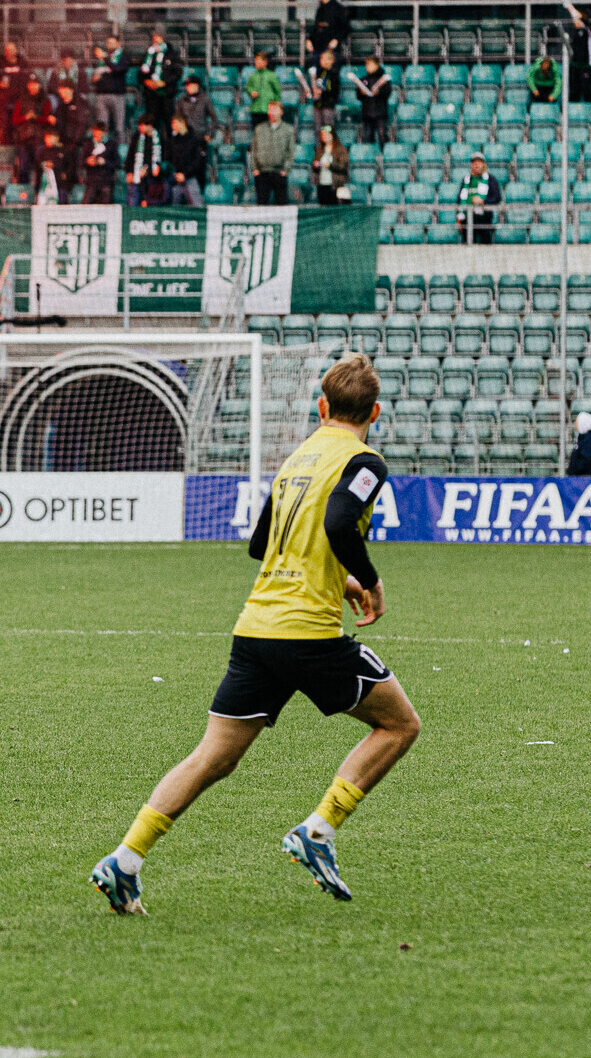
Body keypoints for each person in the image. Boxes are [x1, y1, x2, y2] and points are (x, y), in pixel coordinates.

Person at [92, 354, 417, 913]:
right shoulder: (364, 461)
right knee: (399, 725)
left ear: (322, 407)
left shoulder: (297, 459)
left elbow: (260, 544)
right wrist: (368, 579)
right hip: (308, 636)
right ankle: (319, 829)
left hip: (256, 630)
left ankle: (125, 860)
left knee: (212, 758)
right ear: (375, 413)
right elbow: (340, 521)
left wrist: (337, 580)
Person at [9, 77, 54, 186]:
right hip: (23, 139)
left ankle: (39, 192)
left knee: (40, 168)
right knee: (23, 168)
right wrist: (26, 117)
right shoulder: (21, 101)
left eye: (35, 84)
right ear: (27, 85)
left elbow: (49, 120)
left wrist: (36, 118)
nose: (33, 86)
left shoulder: (45, 101)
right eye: (31, 84)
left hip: (39, 139)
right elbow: (14, 120)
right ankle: (24, 192)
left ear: (40, 85)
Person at [137, 26, 181, 133]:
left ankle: (170, 142)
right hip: (151, 95)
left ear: (163, 38)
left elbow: (177, 73)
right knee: (153, 122)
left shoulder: (171, 54)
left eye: (158, 36)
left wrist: (164, 82)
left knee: (168, 122)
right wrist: (146, 81)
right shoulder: (149, 53)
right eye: (154, 37)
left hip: (167, 94)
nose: (155, 39)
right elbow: (140, 73)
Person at [251, 100, 295, 206]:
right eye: (270, 110)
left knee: (281, 205)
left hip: (279, 172)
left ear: (281, 112)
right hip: (262, 173)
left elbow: (291, 152)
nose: (272, 112)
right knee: (261, 205)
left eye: (275, 110)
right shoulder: (259, 129)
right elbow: (253, 150)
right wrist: (255, 169)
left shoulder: (288, 130)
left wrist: (285, 170)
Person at [455, 155, 502, 244]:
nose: (476, 164)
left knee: (485, 245)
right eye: (474, 162)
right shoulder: (466, 180)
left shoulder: (490, 179)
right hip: (466, 220)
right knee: (467, 245)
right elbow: (459, 200)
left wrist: (483, 201)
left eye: (479, 162)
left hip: (484, 219)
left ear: (484, 164)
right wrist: (458, 218)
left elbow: (497, 198)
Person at [91, 34, 129, 141]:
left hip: (117, 95)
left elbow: (118, 69)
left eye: (112, 43)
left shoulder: (123, 56)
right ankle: (102, 148)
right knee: (102, 127)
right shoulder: (102, 59)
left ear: (118, 44)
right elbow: (95, 77)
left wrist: (105, 58)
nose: (109, 45)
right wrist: (95, 78)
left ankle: (121, 148)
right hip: (102, 94)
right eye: (108, 43)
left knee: (119, 127)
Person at [304, 0, 350, 66]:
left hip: (331, 49)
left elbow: (346, 28)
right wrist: (309, 40)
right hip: (318, 47)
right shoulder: (320, 9)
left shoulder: (338, 8)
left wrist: (336, 39)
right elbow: (316, 28)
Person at [164, 113, 206, 206]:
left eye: (174, 123)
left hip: (190, 178)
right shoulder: (172, 141)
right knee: (172, 207)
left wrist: (185, 174)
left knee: (197, 205)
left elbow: (198, 161)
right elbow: (168, 160)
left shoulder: (194, 140)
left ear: (182, 123)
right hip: (176, 179)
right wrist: (174, 173)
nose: (173, 126)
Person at [0, 40, 28, 137]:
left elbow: (28, 81)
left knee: (18, 130)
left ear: (16, 51)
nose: (9, 52)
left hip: (19, 101)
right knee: (4, 130)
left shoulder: (23, 64)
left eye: (11, 50)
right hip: (2, 103)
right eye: (7, 50)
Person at [300, 48, 341, 136]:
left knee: (328, 129)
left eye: (324, 59)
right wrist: (311, 92)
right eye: (321, 59)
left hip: (328, 105)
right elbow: (316, 86)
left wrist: (322, 92)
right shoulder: (320, 73)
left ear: (331, 60)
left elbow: (334, 92)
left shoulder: (334, 74)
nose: (322, 61)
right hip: (318, 104)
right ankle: (318, 145)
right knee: (317, 130)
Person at [354, 53, 392, 144]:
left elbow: (387, 94)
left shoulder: (384, 79)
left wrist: (379, 93)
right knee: (368, 136)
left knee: (382, 135)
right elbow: (358, 96)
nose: (368, 67)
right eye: (367, 65)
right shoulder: (364, 79)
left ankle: (383, 151)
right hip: (367, 112)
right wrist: (361, 93)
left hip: (380, 112)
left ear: (377, 65)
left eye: (370, 64)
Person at [127, 117, 164, 205]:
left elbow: (162, 157)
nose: (139, 128)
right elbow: (130, 155)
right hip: (136, 175)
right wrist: (129, 171)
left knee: (149, 202)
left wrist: (150, 169)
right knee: (133, 201)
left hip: (153, 177)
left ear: (150, 126)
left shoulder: (159, 138)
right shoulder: (137, 137)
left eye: (142, 125)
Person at [566, 7, 591, 105]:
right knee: (574, 91)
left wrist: (579, 15)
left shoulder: (587, 31)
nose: (574, 21)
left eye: (577, 19)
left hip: (586, 66)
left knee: (586, 90)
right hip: (575, 65)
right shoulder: (574, 32)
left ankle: (590, 109)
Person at [80, 122, 118, 205]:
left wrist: (105, 162)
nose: (97, 137)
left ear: (105, 133)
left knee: (105, 207)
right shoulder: (88, 145)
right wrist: (88, 161)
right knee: (87, 206)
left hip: (106, 182)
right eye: (95, 134)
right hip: (91, 182)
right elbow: (81, 163)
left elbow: (117, 163)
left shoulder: (111, 145)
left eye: (100, 134)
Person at [312, 125, 349, 206]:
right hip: (322, 184)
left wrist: (331, 165)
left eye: (326, 134)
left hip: (335, 185)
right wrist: (315, 165)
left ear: (332, 135)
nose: (324, 137)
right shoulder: (320, 150)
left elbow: (343, 166)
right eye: (322, 135)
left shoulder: (341, 150)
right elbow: (315, 166)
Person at [33, 127, 70, 205]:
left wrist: (55, 165)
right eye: (47, 138)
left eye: (50, 137)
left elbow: (68, 165)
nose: (47, 140)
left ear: (56, 138)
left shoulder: (64, 151)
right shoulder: (42, 152)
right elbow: (38, 166)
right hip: (45, 185)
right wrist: (44, 165)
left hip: (59, 184)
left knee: (61, 203)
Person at [174, 74, 217, 140]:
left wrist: (209, 134)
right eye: (186, 86)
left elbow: (214, 119)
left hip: (201, 135)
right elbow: (177, 118)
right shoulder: (182, 101)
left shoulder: (205, 100)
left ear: (196, 85)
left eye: (189, 85)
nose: (187, 87)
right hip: (186, 136)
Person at [53, 79, 91, 148]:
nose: (62, 91)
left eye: (64, 89)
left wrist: (75, 142)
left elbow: (82, 124)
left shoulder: (80, 103)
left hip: (76, 142)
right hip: (63, 140)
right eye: (60, 89)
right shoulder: (61, 105)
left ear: (71, 90)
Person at [244, 50, 282, 118]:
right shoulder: (253, 76)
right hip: (255, 108)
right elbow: (248, 87)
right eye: (256, 60)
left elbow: (277, 91)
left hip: (268, 109)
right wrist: (251, 92)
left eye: (259, 61)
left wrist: (276, 105)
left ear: (265, 62)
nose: (256, 62)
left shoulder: (271, 75)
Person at [567, 411, 591, 476]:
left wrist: (576, 468)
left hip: (583, 476)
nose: (575, 424)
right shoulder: (581, 437)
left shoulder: (588, 439)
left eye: (577, 422)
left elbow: (586, 458)